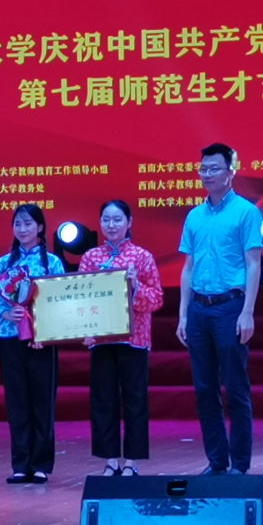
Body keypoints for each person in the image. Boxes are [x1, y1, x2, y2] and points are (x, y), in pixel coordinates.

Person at [177, 144, 262, 476]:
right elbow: (188, 267)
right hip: (199, 309)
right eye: (203, 169)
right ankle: (216, 462)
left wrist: (248, 311)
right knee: (204, 390)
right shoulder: (194, 216)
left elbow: (253, 264)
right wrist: (183, 314)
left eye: (214, 168)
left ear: (230, 172)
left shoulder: (246, 212)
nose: (207, 174)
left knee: (236, 389)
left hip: (230, 307)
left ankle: (240, 465)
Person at [78, 200, 163, 477]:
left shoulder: (142, 257)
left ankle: (132, 462)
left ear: (129, 222)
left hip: (134, 340)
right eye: (106, 219)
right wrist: (83, 328)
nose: (111, 225)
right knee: (103, 400)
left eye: (117, 219)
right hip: (102, 341)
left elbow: (156, 299)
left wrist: (136, 285)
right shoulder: (90, 258)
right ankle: (111, 460)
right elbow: (81, 299)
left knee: (135, 400)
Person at [0, 203, 65, 485]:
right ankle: (20, 465)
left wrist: (45, 331)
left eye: (28, 223)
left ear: (40, 227)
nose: (22, 229)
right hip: (10, 338)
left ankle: (41, 464)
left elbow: (61, 299)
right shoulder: (4, 263)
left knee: (42, 401)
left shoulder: (51, 263)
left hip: (42, 341)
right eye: (18, 224)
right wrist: (6, 313)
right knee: (17, 401)